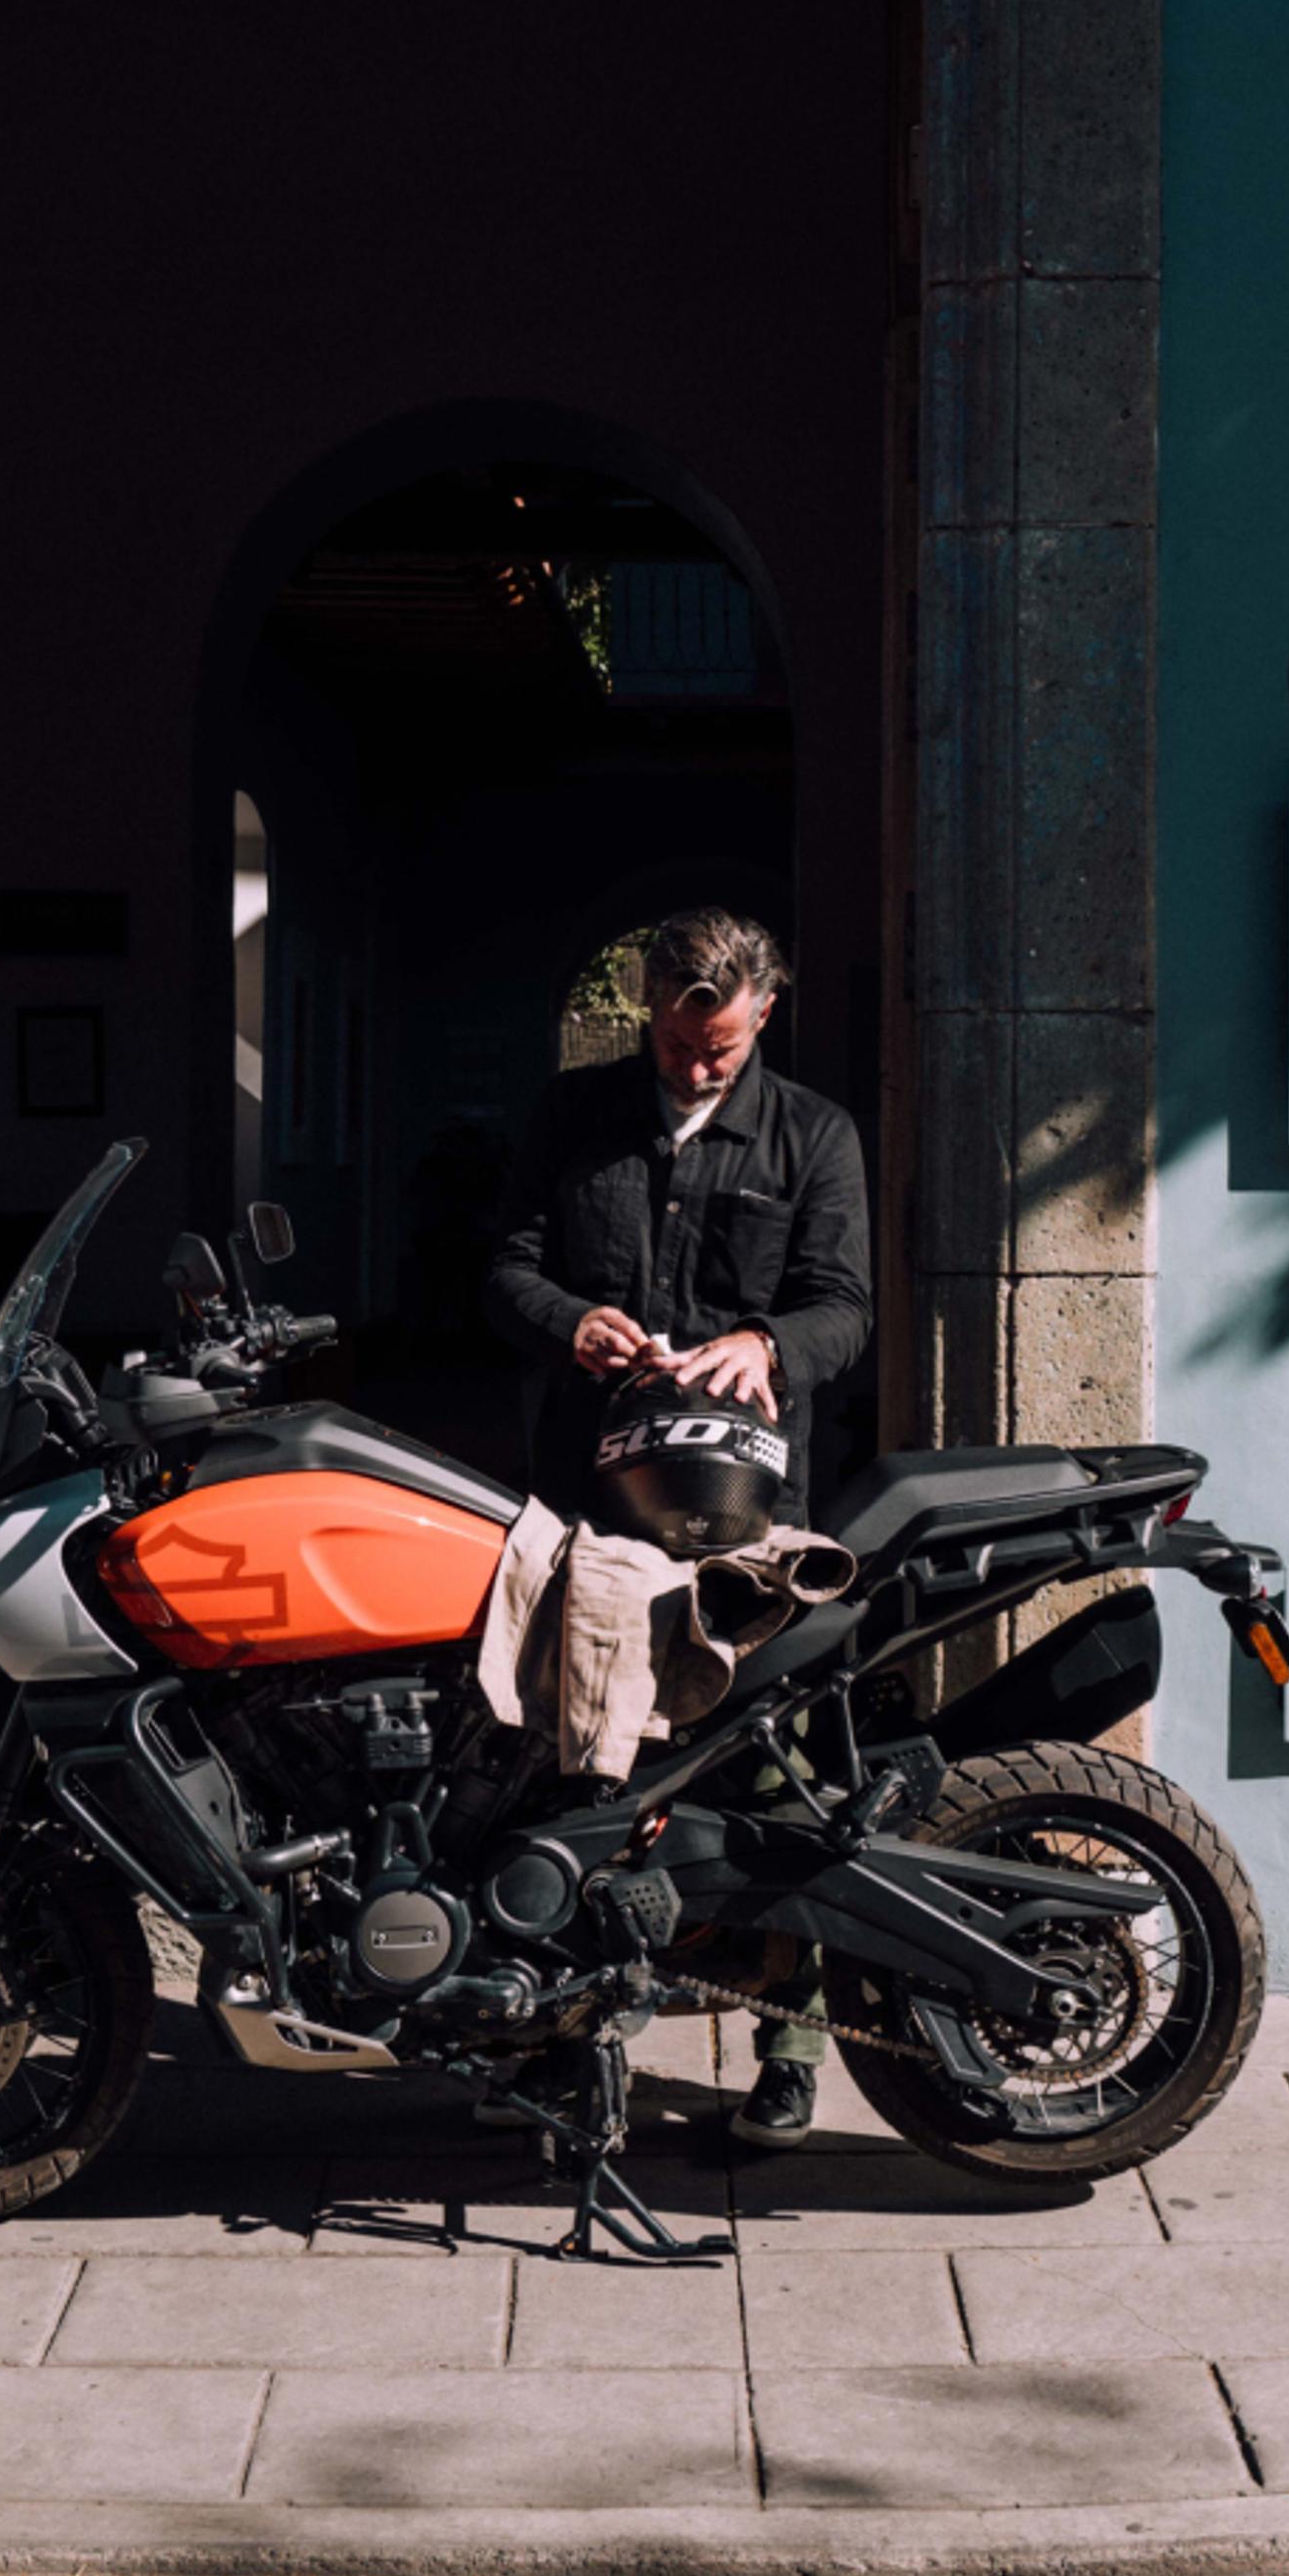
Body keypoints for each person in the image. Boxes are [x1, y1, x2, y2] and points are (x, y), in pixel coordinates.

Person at [482, 906, 872, 2145]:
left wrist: (766, 1343)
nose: (695, 1067)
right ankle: (560, 2042)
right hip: (588, 1493)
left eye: (719, 1048)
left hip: (746, 1503)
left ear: (762, 1014)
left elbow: (845, 1306)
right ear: (648, 1011)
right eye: (675, 1044)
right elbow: (503, 1266)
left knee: (774, 1771)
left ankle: (793, 2043)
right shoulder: (572, 1117)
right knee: (565, 1757)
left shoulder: (815, 1134)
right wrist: (568, 1320)